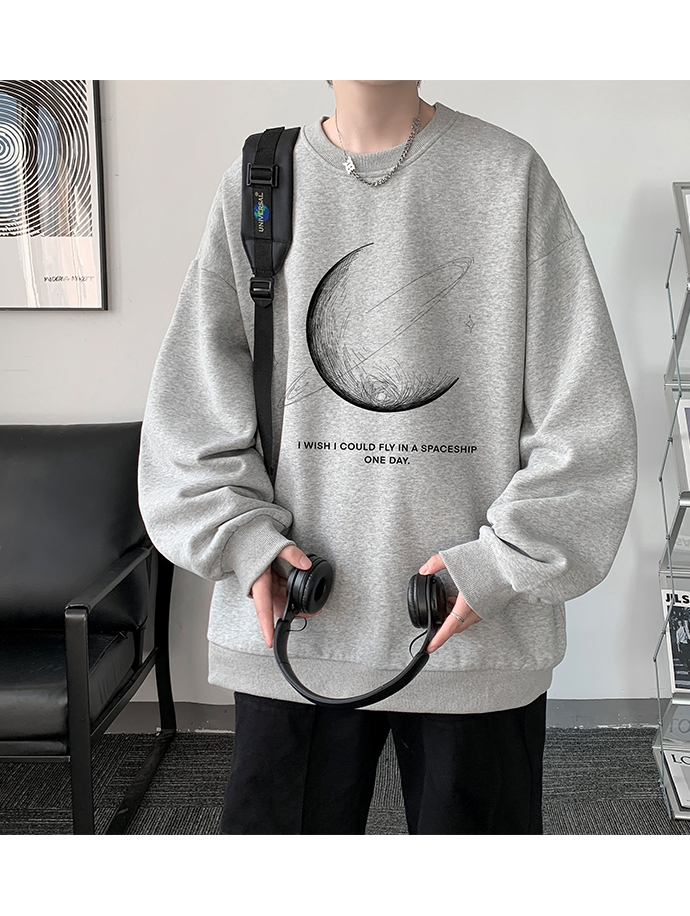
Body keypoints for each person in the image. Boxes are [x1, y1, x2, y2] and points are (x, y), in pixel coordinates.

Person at [137, 80, 637, 835]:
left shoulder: (508, 176)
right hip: (292, 627)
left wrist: (503, 563)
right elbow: (193, 403)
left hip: (474, 635)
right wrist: (241, 539)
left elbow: (586, 421)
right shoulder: (261, 181)